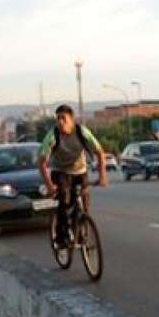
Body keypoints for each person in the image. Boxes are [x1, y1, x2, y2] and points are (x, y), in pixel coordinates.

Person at [37, 105, 107, 249]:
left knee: (83, 202)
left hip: (80, 171)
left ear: (72, 120)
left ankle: (82, 233)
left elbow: (100, 152)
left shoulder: (82, 131)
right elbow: (42, 162)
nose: (60, 122)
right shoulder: (52, 135)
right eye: (58, 118)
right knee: (65, 199)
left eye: (64, 118)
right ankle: (61, 238)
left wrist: (102, 177)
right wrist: (50, 185)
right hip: (60, 171)